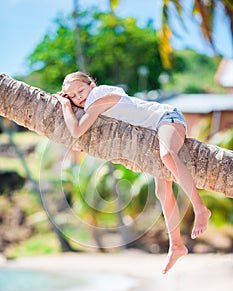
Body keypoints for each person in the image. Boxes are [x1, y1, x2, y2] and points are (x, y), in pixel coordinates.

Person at [54, 71, 211, 274]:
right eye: (72, 96)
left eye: (80, 91)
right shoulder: (92, 104)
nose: (78, 97)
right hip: (154, 133)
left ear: (91, 86)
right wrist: (70, 103)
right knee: (162, 191)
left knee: (167, 156)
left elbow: (76, 131)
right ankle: (176, 246)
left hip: (168, 118)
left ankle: (200, 209)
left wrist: (66, 105)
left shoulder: (98, 96)